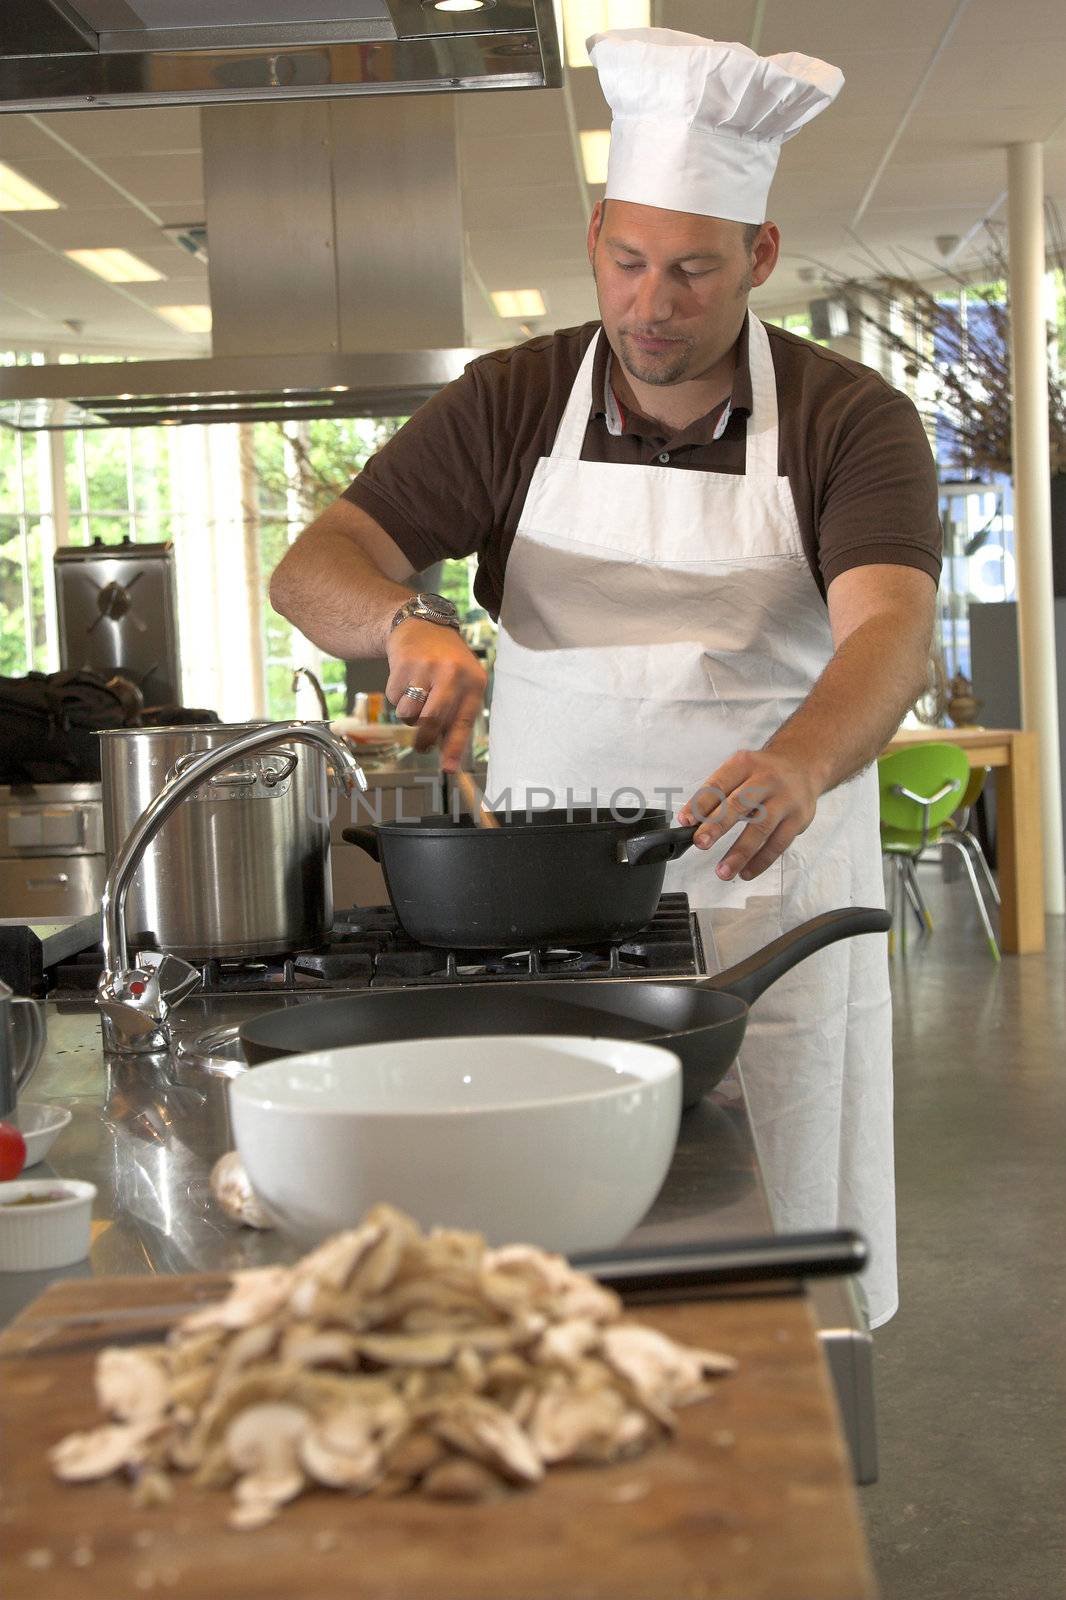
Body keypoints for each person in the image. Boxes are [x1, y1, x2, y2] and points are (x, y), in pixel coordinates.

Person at [270, 29, 942, 1328]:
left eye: (692, 270)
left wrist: (802, 757)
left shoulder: (844, 417)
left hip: (765, 894)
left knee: (771, 1256)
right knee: (557, 1253)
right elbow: (317, 565)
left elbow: (888, 635)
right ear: (593, 241)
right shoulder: (514, 400)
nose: (652, 303)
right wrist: (402, 624)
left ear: (756, 256)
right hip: (546, 898)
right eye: (627, 262)